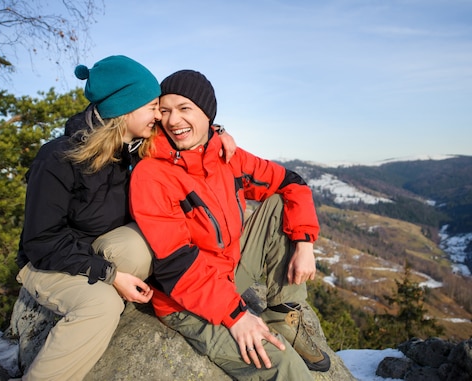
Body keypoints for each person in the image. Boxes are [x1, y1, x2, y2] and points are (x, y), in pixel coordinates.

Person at [15, 56, 237, 381]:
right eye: (152, 106)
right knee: (101, 306)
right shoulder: (58, 159)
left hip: (99, 254)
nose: (160, 115)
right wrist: (110, 276)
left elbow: (187, 133)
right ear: (125, 108)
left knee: (159, 238)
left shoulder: (134, 148)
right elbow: (41, 242)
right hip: (49, 262)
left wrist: (218, 134)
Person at [129, 69, 331, 380]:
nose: (172, 120)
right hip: (186, 300)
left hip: (229, 270)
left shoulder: (223, 154)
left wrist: (304, 243)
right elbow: (174, 265)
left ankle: (283, 315)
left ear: (207, 115)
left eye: (185, 109)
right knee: (284, 367)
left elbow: (291, 182)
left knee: (279, 203)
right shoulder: (151, 174)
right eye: (165, 111)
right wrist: (236, 316)